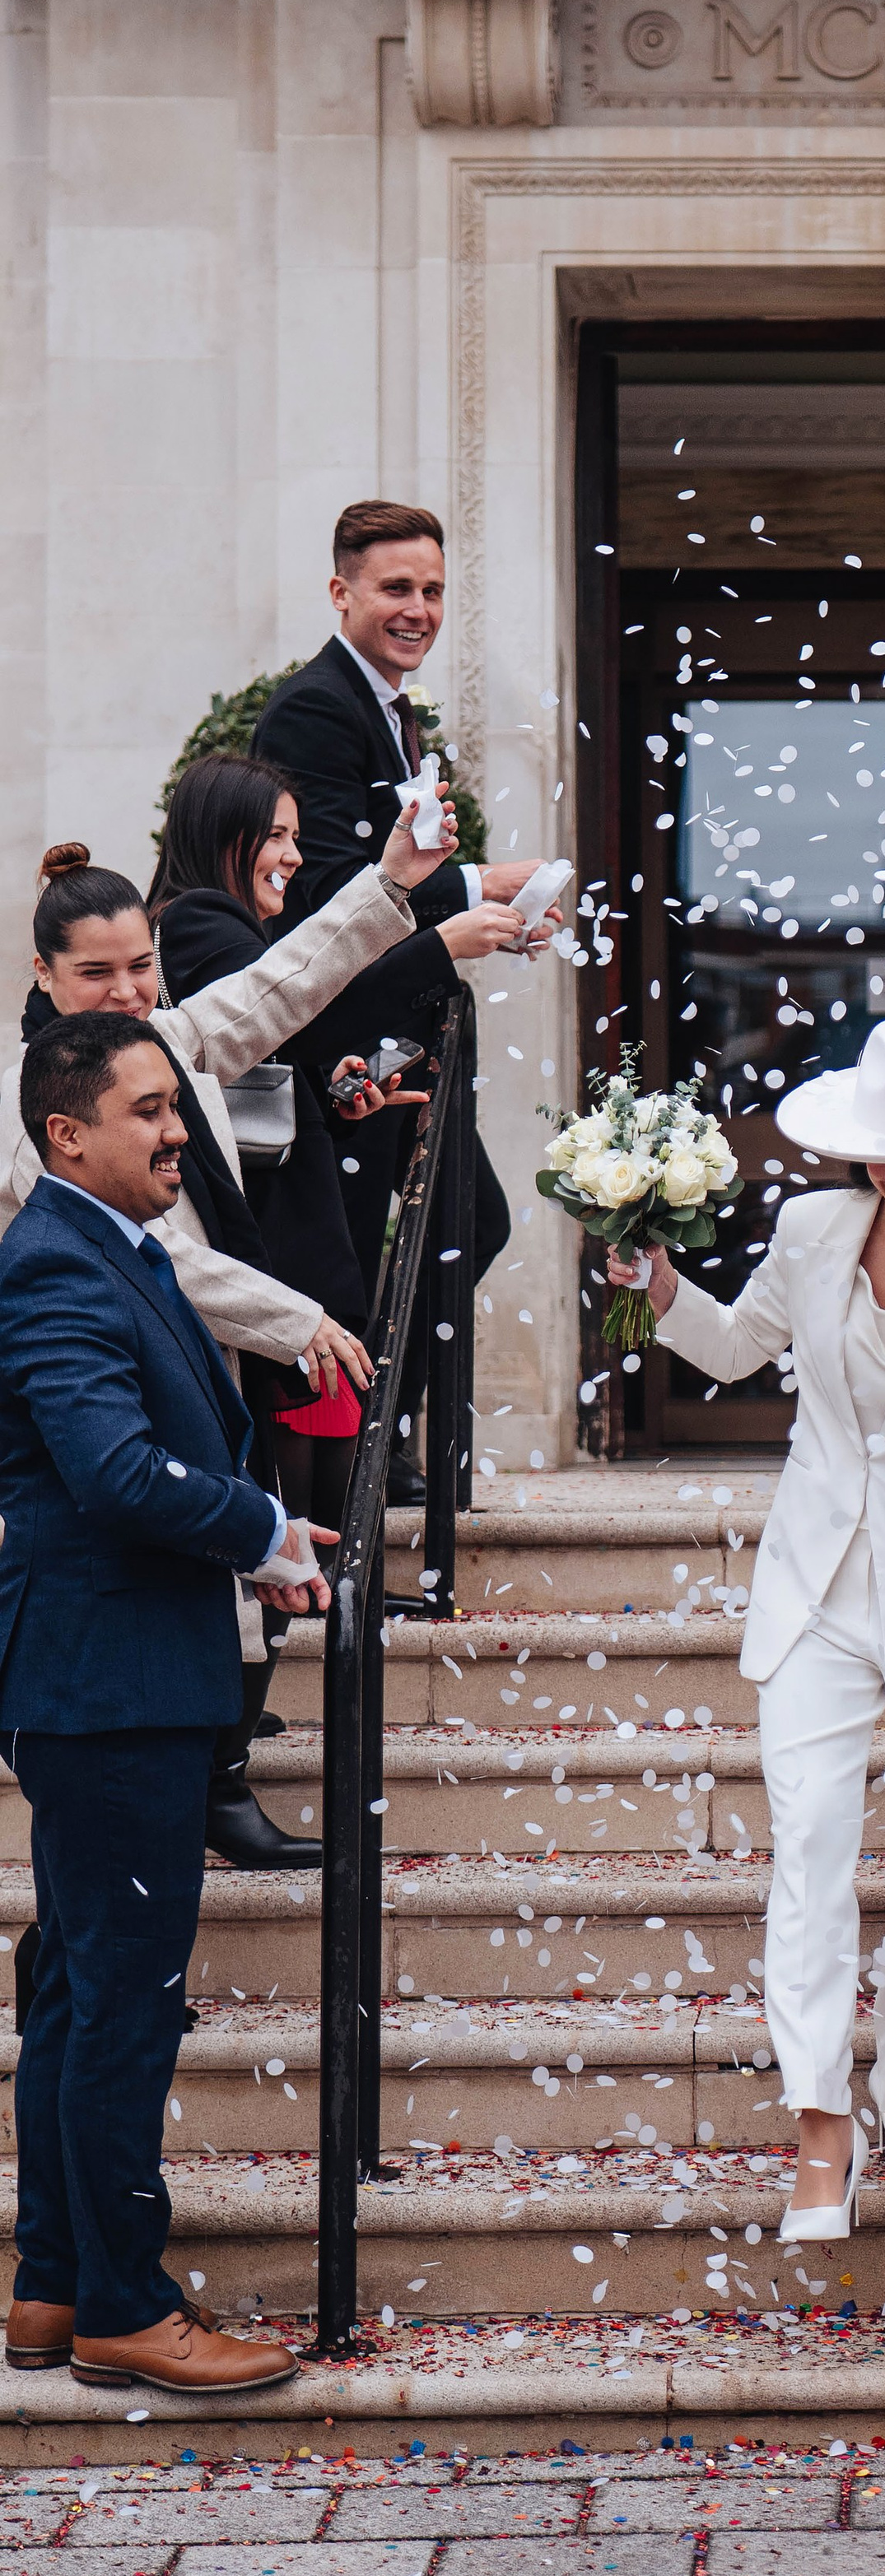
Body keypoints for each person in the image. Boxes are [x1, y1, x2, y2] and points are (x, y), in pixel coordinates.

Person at [605, 1021, 885, 2244]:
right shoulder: (811, 1230)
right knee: (805, 1847)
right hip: (812, 1590)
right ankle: (820, 2124)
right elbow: (743, 1345)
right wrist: (652, 1284)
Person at [2, 797, 463, 1865]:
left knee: (247, 1571)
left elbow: (280, 983)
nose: (125, 993)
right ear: (44, 975)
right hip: (119, 1389)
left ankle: (210, 1795)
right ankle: (201, 1811)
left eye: (140, 967)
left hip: (209, 1367)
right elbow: (151, 1257)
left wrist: (392, 883)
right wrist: (296, 1317)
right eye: (95, 975)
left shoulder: (162, 1044)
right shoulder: (43, 1108)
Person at [0, 1011, 327, 2397]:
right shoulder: (54, 1270)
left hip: (114, 1674)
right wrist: (263, 1527)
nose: (179, 1129)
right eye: (149, 1112)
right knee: (121, 2001)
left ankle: (55, 2284)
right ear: (68, 1135)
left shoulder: (109, 1250)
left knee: (77, 1988)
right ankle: (130, 2305)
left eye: (175, 1107)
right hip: (106, 1681)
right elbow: (115, 1473)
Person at [147, 753, 525, 1546]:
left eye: (295, 835)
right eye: (277, 836)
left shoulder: (229, 925)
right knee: (314, 1516)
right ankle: (309, 1653)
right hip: (279, 1263)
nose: (295, 856)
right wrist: (437, 947)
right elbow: (286, 1022)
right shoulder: (195, 921)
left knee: (330, 1500)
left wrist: (339, 1100)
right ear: (225, 833)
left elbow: (260, 1081)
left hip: (298, 1253)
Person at [252, 500, 549, 1495]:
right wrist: (479, 892)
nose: (417, 609)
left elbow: (393, 867)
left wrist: (492, 899)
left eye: (430, 590)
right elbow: (327, 877)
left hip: (402, 1031)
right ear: (341, 592)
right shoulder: (315, 710)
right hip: (352, 1034)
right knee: (367, 1243)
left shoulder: (391, 709)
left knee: (460, 1221)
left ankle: (388, 1433)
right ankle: (361, 1451)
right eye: (395, 589)